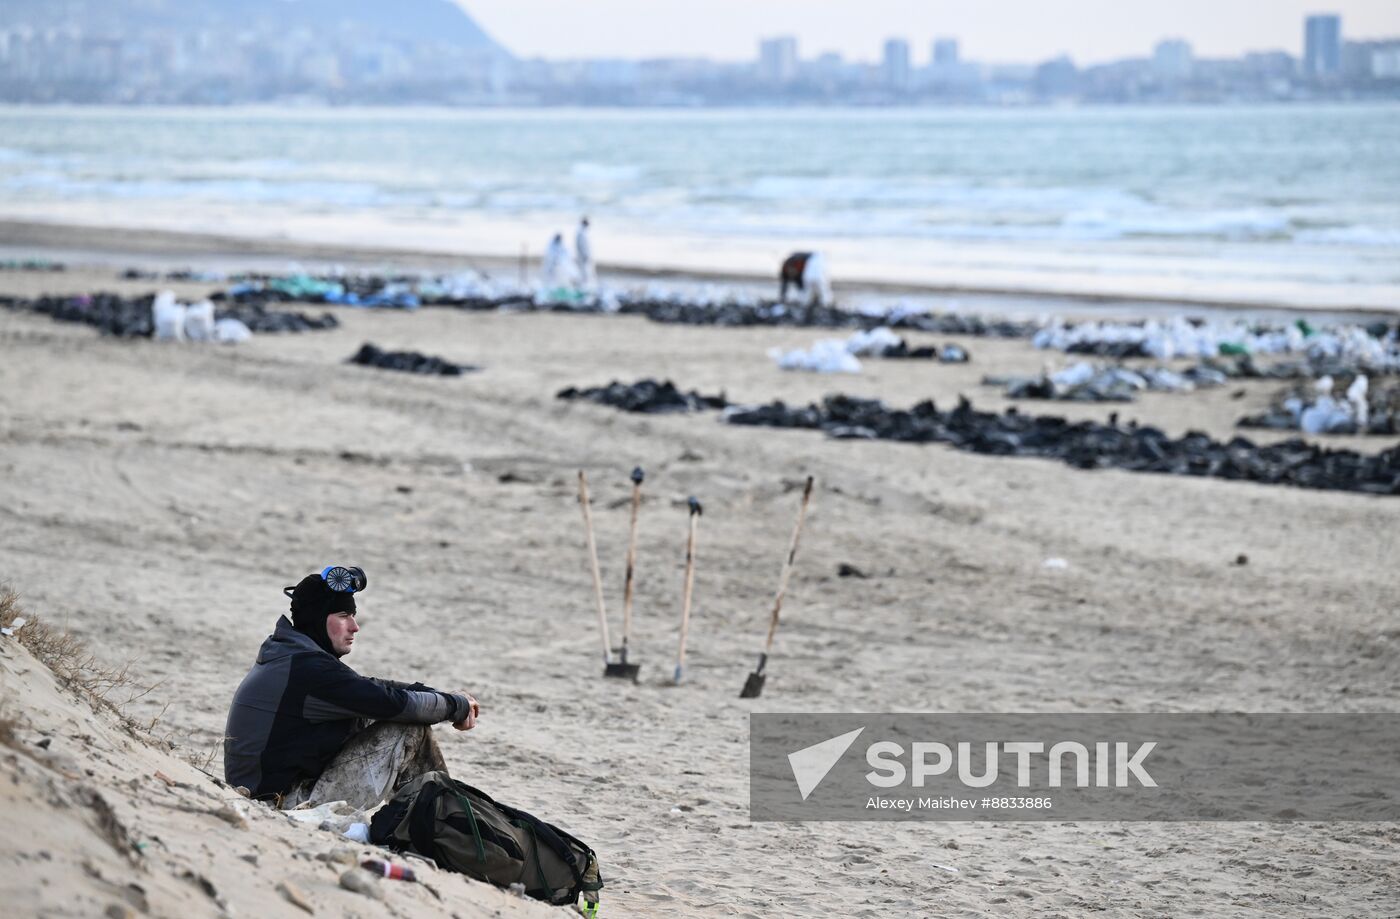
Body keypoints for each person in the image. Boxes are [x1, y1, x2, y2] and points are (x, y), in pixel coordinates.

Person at [224, 566, 479, 811]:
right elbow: (394, 705)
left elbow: (372, 688)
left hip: (268, 792)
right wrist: (456, 706)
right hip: (278, 803)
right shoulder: (311, 670)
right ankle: (444, 822)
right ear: (317, 619)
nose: (355, 626)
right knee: (408, 729)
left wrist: (440, 696)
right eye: (344, 616)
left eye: (352, 616)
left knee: (380, 715)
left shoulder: (292, 656)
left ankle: (432, 819)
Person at [575, 217, 596, 291]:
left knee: (587, 271)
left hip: (585, 256)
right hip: (583, 256)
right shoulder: (581, 232)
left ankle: (586, 286)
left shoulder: (584, 232)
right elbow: (580, 245)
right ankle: (584, 287)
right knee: (584, 272)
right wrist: (584, 255)